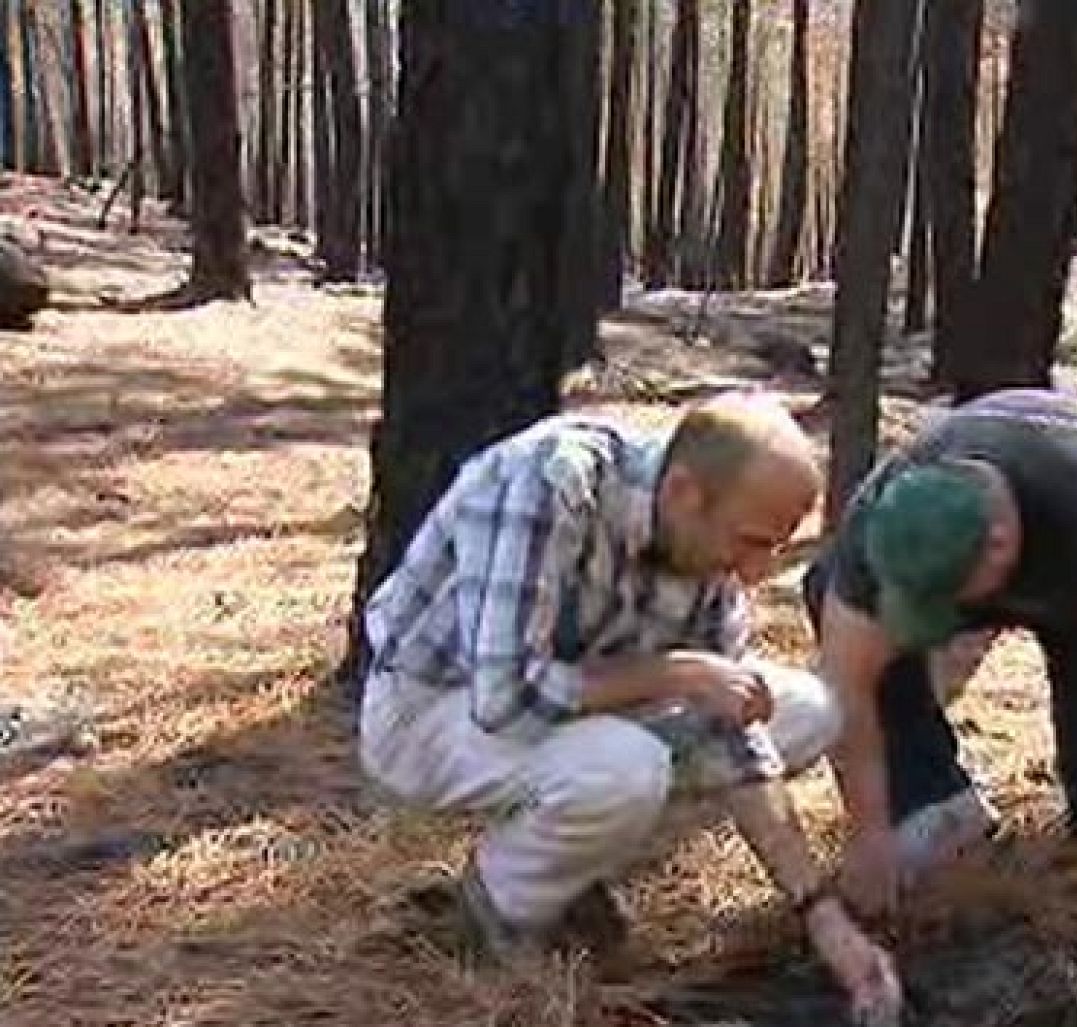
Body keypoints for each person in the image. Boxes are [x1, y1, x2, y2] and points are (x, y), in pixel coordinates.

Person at [357, 393, 901, 1020]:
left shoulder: (701, 534)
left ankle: (575, 867)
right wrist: (673, 673)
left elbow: (731, 737)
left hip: (573, 711)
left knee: (806, 711)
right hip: (428, 711)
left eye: (773, 549)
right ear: (683, 493)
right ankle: (496, 906)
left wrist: (822, 916)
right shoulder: (551, 482)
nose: (755, 573)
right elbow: (507, 696)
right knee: (626, 766)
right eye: (750, 542)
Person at [804, 386, 1077, 939]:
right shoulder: (887, 521)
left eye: (942, 600)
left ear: (1000, 545)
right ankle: (931, 801)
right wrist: (869, 831)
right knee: (832, 589)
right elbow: (847, 679)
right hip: (1000, 542)